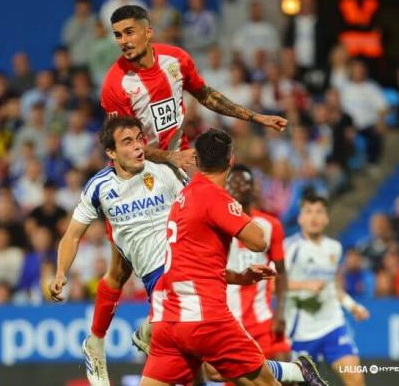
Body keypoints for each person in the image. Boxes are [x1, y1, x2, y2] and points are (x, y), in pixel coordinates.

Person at [49, 118, 324, 386]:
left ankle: (294, 370)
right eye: (127, 142)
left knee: (212, 371)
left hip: (172, 297)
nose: (137, 147)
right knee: (118, 275)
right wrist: (61, 271)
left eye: (139, 139)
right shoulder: (101, 187)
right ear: (110, 152)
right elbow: (72, 235)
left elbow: (196, 234)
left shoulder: (168, 175)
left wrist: (236, 273)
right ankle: (99, 340)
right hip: (174, 297)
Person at [142, 129, 325, 386]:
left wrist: (239, 277)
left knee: (223, 374)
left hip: (168, 319)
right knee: (264, 383)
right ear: (230, 160)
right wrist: (236, 208)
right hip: (205, 317)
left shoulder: (182, 197)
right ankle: (296, 371)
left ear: (196, 159)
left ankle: (296, 371)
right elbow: (258, 240)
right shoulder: (215, 196)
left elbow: (191, 264)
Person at [101, 5, 286, 170]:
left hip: (179, 162)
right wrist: (170, 157)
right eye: (118, 35)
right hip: (139, 172)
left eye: (129, 32)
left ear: (148, 32)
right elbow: (122, 145)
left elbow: (207, 96)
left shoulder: (176, 59)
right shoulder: (115, 84)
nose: (123, 41)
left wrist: (256, 117)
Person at [285, 194, 371, 386]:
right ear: (300, 218)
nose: (314, 217)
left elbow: (332, 285)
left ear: (326, 218)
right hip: (301, 330)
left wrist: (352, 306)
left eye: (319, 212)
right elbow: (274, 283)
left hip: (332, 325)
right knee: (293, 383)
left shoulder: (334, 248)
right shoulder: (290, 247)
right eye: (308, 211)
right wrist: (305, 285)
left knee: (355, 378)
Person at [225, 164, 291, 362]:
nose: (238, 188)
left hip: (263, 320)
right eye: (233, 184)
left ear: (253, 189)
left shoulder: (271, 226)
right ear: (224, 189)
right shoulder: (216, 226)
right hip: (230, 325)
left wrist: (280, 313)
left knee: (288, 372)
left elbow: (282, 273)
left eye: (244, 183)